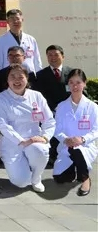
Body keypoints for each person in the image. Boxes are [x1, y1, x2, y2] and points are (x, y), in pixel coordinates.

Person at [0, 64, 55, 193]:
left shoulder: (37, 96)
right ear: (7, 80)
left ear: (27, 79)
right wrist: (21, 141)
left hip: (34, 140)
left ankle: (36, 178)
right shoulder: (0, 98)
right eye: (12, 76)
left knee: (40, 150)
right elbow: (3, 125)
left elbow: (49, 120)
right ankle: (25, 171)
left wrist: (45, 137)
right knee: (21, 182)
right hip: (11, 143)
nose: (17, 80)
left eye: (20, 77)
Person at [53, 69, 97, 197]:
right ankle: (75, 166)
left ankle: (85, 179)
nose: (75, 86)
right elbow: (57, 129)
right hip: (66, 146)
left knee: (77, 150)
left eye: (78, 82)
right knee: (60, 178)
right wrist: (65, 139)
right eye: (71, 82)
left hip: (85, 146)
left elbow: (96, 130)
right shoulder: (61, 106)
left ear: (84, 83)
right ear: (68, 85)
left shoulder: (92, 107)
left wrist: (82, 139)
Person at [34, 44, 75, 165]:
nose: (53, 58)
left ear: (63, 56)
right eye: (49, 55)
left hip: (69, 109)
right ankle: (52, 156)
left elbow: (80, 91)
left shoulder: (72, 73)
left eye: (56, 55)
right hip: (50, 110)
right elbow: (40, 95)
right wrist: (53, 108)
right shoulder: (40, 75)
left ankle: (72, 154)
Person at [0, 9, 42, 74]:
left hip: (29, 75)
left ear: (22, 20)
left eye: (17, 19)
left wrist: (39, 76)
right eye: (12, 19)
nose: (15, 21)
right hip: (10, 75)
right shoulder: (1, 40)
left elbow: (37, 61)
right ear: (7, 21)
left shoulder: (31, 39)